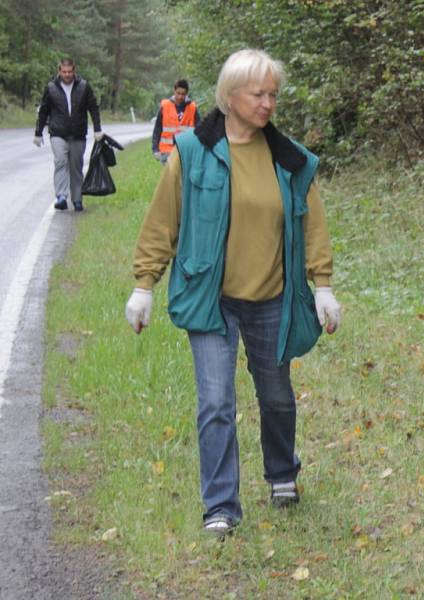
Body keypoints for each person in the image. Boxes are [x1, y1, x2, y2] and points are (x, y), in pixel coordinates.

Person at [124, 49, 341, 536]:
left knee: (278, 397)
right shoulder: (192, 151)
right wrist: (145, 285)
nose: (268, 103)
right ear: (230, 96)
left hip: (272, 300)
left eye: (273, 95)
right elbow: (163, 222)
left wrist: (322, 284)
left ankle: (282, 472)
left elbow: (313, 225)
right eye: (258, 94)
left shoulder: (289, 159)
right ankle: (221, 505)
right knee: (216, 403)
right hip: (211, 300)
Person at [33, 58, 104, 212]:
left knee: (76, 166)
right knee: (60, 162)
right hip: (58, 133)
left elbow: (93, 107)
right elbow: (44, 110)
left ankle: (77, 199)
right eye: (64, 72)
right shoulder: (51, 88)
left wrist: (97, 129)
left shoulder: (84, 87)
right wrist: (38, 133)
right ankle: (61, 197)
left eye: (70, 72)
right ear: (59, 71)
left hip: (78, 134)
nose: (67, 75)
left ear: (74, 71)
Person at [151, 79, 200, 165]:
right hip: (167, 151)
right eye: (178, 93)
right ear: (174, 91)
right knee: (172, 177)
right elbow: (157, 129)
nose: (180, 96)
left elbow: (199, 130)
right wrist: (155, 149)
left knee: (183, 177)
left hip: (186, 150)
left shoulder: (192, 108)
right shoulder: (165, 106)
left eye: (183, 94)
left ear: (187, 94)